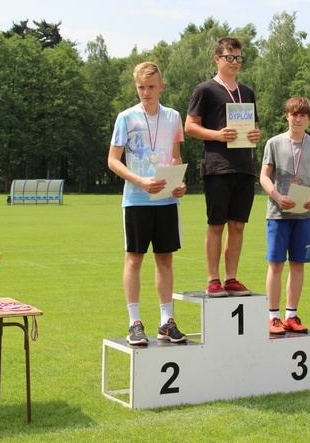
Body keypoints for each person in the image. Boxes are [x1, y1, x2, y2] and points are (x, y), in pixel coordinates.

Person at [108, 61, 188, 346]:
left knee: (165, 259)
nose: (146, 92)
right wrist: (140, 181)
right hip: (136, 200)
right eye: (141, 87)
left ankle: (167, 321)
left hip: (166, 200)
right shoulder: (126, 118)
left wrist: (179, 182)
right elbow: (113, 160)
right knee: (134, 259)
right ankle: (134, 323)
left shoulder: (173, 117)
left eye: (151, 87)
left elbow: (175, 156)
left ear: (161, 87)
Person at [185, 37, 260, 297]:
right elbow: (190, 126)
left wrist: (255, 135)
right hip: (217, 167)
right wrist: (217, 135)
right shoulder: (205, 90)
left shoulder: (247, 92)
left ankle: (231, 278)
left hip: (244, 167)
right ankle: (213, 279)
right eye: (229, 57)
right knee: (216, 224)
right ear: (217, 59)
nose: (235, 62)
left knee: (238, 225)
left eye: (239, 58)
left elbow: (253, 127)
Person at [259, 97, 310, 335]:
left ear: (309, 119)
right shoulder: (274, 143)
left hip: (303, 215)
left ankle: (291, 315)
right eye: (293, 114)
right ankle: (273, 316)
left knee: (298, 265)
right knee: (276, 264)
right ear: (286, 115)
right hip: (278, 214)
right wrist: (277, 196)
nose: (297, 119)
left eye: (302, 115)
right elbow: (264, 177)